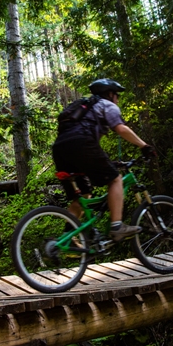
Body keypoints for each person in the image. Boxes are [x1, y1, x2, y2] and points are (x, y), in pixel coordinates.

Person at [52, 78, 156, 241]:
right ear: (110, 94)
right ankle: (117, 227)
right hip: (81, 144)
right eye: (117, 95)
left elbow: (86, 149)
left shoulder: (85, 108)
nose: (118, 99)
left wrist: (109, 162)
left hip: (60, 149)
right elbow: (120, 128)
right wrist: (144, 146)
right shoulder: (107, 105)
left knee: (83, 194)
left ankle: (68, 237)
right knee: (115, 180)